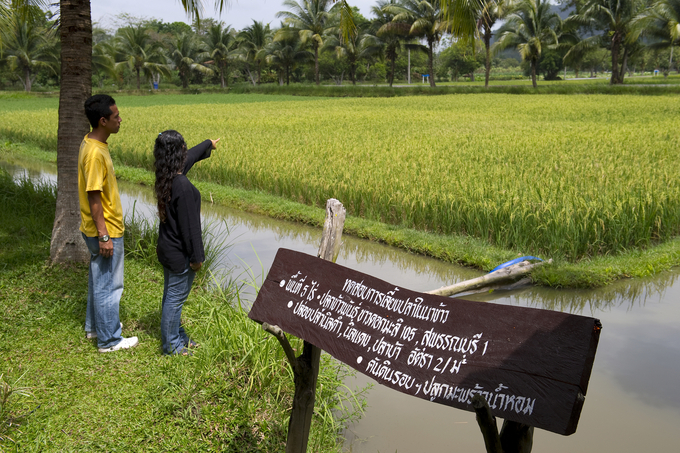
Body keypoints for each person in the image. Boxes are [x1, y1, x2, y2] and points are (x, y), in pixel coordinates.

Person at [79, 94, 138, 353]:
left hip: (100, 229)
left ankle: (95, 328)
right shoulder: (94, 153)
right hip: (105, 230)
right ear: (103, 121)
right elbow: (94, 197)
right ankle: (110, 340)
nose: (120, 120)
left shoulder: (93, 143)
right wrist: (104, 236)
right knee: (109, 285)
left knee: (98, 280)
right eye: (116, 117)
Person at [154, 130, 219, 355]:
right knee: (175, 299)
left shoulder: (166, 174)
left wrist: (207, 144)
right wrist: (197, 258)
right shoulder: (181, 184)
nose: (186, 150)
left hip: (166, 248)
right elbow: (191, 228)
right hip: (179, 254)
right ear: (178, 152)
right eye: (184, 146)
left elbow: (189, 157)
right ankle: (172, 346)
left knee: (172, 295)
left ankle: (178, 336)